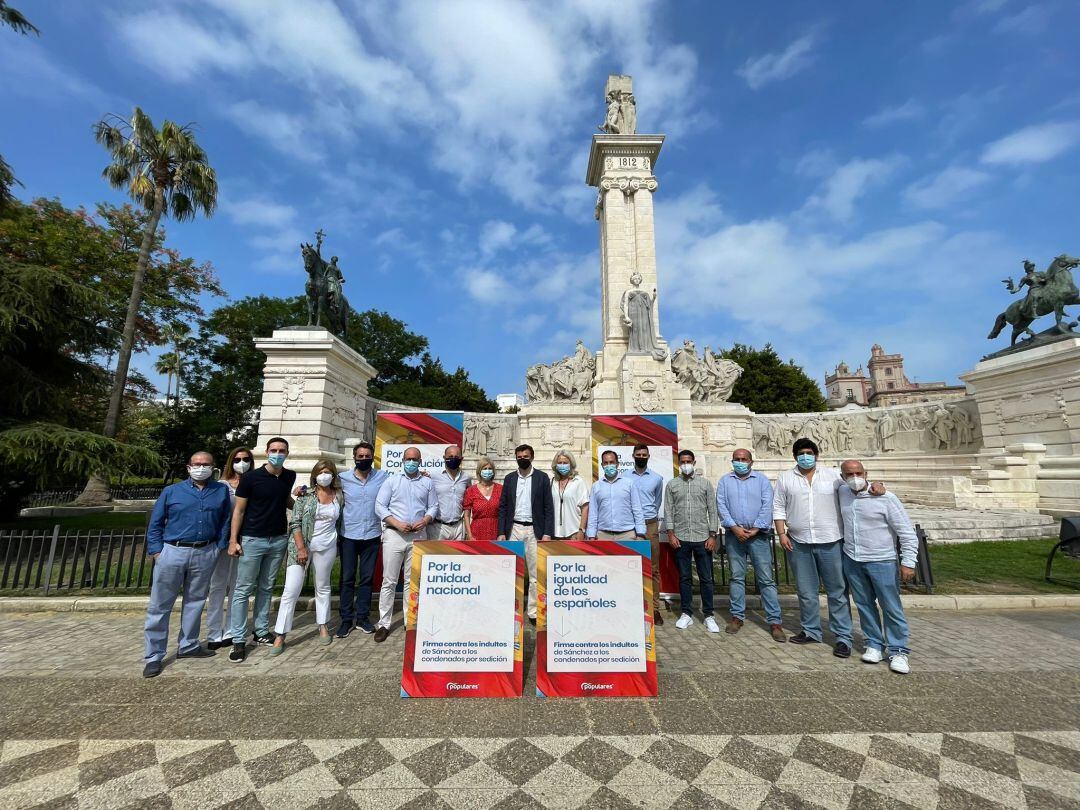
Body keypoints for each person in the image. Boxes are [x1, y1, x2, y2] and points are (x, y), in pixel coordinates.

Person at [142, 451, 232, 678]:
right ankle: (154, 655)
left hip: (205, 550)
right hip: (173, 550)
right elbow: (156, 522)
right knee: (160, 605)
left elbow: (225, 519)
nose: (201, 467)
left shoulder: (220, 490)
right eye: (197, 464)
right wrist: (156, 551)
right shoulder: (171, 491)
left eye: (206, 464)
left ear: (214, 468)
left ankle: (189, 644)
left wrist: (218, 545)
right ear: (188, 467)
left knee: (195, 601)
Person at [773, 437, 855, 657]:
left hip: (831, 540)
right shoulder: (786, 478)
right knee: (806, 591)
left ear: (816, 455)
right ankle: (811, 630)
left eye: (809, 452)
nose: (805, 456)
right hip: (799, 541)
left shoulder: (833, 477)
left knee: (837, 591)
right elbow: (779, 507)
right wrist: (781, 534)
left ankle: (843, 637)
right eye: (801, 453)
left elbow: (854, 490)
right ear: (795, 456)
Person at [838, 459, 918, 674]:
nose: (854, 477)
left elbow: (906, 532)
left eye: (858, 472)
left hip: (882, 559)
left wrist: (908, 562)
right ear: (842, 477)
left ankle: (898, 650)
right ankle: (873, 644)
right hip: (853, 559)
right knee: (864, 605)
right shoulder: (842, 493)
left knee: (891, 606)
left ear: (866, 473)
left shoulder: (885, 497)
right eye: (849, 474)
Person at [226, 437, 297, 663]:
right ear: (266, 452)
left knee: (266, 587)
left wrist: (305, 504)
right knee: (243, 589)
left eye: (282, 450)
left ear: (287, 453)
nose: (278, 453)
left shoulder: (289, 475)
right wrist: (233, 539)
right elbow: (239, 511)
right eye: (274, 450)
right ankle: (238, 638)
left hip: (277, 538)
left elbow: (285, 500)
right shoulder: (250, 478)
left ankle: (261, 630)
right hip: (252, 538)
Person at [270, 460, 342, 655]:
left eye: (328, 471)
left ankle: (323, 624)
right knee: (291, 590)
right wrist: (301, 548)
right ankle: (280, 633)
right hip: (302, 547)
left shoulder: (339, 496)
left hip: (327, 546)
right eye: (321, 471)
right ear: (315, 475)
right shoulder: (305, 495)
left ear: (333, 474)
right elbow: (295, 523)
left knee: (323, 586)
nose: (324, 475)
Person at [716, 448, 785, 643]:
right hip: (733, 535)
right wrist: (735, 528)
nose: (740, 462)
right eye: (737, 459)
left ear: (751, 461)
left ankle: (775, 621)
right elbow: (721, 505)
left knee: (766, 579)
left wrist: (755, 529)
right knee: (736, 577)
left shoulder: (762, 480)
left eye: (743, 459)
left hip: (759, 535)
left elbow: (767, 505)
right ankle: (737, 616)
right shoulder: (725, 481)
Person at [373, 446, 438, 642]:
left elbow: (433, 505)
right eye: (408, 459)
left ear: (420, 461)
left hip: (418, 534)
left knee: (413, 581)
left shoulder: (427, 482)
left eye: (415, 459)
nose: (411, 462)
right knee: (389, 581)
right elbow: (380, 506)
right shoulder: (391, 481)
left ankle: (410, 620)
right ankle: (384, 623)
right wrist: (396, 523)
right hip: (394, 535)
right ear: (402, 460)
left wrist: (426, 519)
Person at [496, 444, 555, 623]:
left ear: (532, 457)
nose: (522, 459)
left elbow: (548, 508)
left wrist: (547, 533)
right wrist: (501, 532)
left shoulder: (542, 478)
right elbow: (503, 507)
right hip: (513, 528)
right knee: (511, 571)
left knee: (535, 573)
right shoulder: (510, 478)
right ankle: (511, 609)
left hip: (534, 530)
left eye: (526, 456)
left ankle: (533, 612)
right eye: (519, 456)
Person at [663, 450, 719, 633]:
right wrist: (670, 534)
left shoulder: (705, 484)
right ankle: (686, 613)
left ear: (694, 462)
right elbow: (668, 511)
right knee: (685, 578)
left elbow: (713, 509)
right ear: (679, 463)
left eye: (688, 461)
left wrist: (713, 535)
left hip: (703, 537)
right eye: (682, 461)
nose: (686, 464)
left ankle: (709, 614)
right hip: (681, 537)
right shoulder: (672, 485)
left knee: (706, 578)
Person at [336, 441, 387, 637]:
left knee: (366, 579)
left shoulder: (383, 477)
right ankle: (346, 619)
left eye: (367, 456)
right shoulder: (343, 478)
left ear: (372, 457)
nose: (364, 459)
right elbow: (323, 489)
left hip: (372, 534)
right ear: (354, 457)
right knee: (347, 578)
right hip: (349, 535)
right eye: (360, 456)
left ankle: (363, 618)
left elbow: (401, 484)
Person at [204, 446, 253, 650]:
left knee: (238, 587)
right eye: (238, 459)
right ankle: (214, 632)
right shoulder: (221, 486)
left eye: (246, 459)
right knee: (217, 587)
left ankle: (232, 629)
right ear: (231, 462)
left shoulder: (254, 482)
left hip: (247, 539)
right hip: (223, 541)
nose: (242, 462)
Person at [629, 444, 666, 625]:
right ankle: (629, 607)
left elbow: (657, 502)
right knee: (627, 567)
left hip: (650, 525)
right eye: (638, 454)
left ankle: (655, 609)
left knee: (653, 569)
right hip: (629, 525)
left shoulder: (657, 479)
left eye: (644, 454)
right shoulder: (625, 477)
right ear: (633, 456)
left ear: (648, 456)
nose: (641, 457)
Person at [586, 450, 646, 541]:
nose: (609, 465)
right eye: (606, 463)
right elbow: (593, 513)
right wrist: (591, 535)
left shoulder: (629, 483)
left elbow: (637, 509)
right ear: (602, 465)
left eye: (611, 462)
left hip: (627, 534)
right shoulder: (596, 486)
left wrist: (640, 533)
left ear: (617, 464)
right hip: (603, 535)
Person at [432, 444, 471, 539]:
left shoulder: (466, 478)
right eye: (450, 457)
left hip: (459, 527)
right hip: (438, 527)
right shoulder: (433, 476)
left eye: (456, 457)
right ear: (444, 458)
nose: (453, 459)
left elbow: (469, 500)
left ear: (461, 459)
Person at [550, 450, 589, 541]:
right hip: (555, 533)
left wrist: (581, 530)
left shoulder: (578, 481)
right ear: (556, 465)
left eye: (565, 463)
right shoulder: (552, 482)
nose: (562, 465)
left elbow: (585, 507)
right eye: (560, 463)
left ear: (571, 464)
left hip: (573, 532)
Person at [463, 457, 502, 542]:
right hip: (476, 533)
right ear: (479, 471)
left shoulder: (500, 489)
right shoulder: (471, 491)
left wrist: (502, 533)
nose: (487, 471)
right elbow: (466, 515)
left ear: (493, 471)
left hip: (496, 532)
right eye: (484, 469)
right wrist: (469, 535)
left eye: (490, 468)